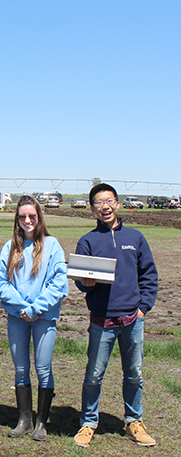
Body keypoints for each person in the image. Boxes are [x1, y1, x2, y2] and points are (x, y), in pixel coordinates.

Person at [73, 184, 158, 448]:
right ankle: (88, 423)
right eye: (99, 203)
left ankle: (134, 421)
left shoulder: (135, 237)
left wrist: (143, 308)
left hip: (132, 319)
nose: (105, 207)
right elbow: (81, 278)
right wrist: (84, 284)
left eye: (109, 201)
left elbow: (149, 275)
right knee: (94, 375)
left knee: (133, 373)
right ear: (92, 208)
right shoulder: (87, 241)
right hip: (101, 320)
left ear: (118, 204)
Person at [0, 195, 68, 441]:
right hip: (17, 317)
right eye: (23, 216)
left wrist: (36, 308)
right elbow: (1, 284)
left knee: (43, 368)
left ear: (39, 217)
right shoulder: (10, 247)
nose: (28, 220)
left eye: (32, 216)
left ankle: (41, 422)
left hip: (44, 318)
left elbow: (59, 282)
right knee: (21, 368)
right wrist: (22, 307)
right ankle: (24, 419)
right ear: (17, 218)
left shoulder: (53, 245)